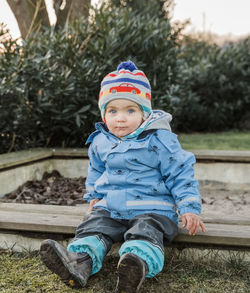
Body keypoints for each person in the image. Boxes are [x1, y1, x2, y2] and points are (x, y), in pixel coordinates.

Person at [40, 61, 205, 293]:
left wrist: (188, 206)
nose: (120, 118)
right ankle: (78, 262)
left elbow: (180, 172)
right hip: (111, 208)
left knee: (145, 231)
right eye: (112, 111)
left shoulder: (158, 139)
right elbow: (96, 169)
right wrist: (95, 195)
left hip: (153, 208)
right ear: (104, 113)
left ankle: (135, 264)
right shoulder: (100, 140)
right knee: (93, 227)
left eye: (130, 110)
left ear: (144, 112)